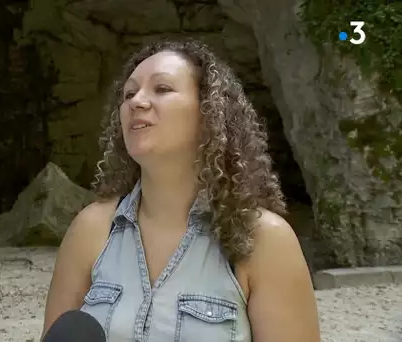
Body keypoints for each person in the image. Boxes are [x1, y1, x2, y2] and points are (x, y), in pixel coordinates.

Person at [41, 38, 320, 341]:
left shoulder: (264, 239)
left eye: (162, 89)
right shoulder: (90, 230)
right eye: (129, 93)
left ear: (209, 113)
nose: (137, 102)